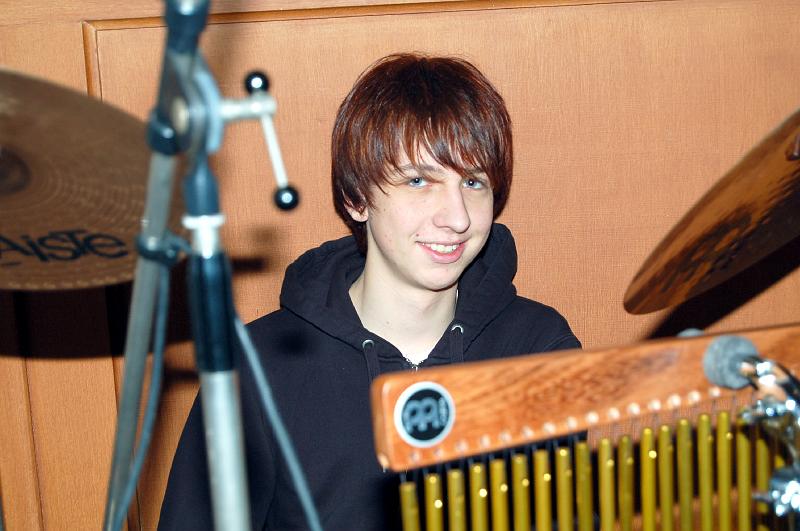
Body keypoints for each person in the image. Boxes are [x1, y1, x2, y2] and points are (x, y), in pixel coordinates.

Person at [158, 53, 580, 530]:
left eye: (473, 182)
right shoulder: (259, 367)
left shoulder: (539, 348)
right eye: (418, 180)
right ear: (357, 199)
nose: (457, 217)